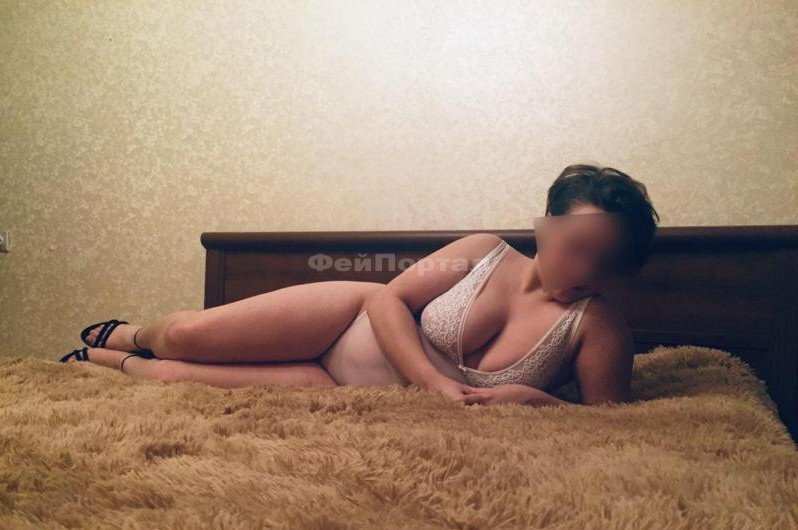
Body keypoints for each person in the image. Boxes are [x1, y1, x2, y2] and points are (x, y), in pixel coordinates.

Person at [60, 164, 659, 407]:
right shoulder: (481, 253)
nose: (584, 271)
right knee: (184, 337)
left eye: (604, 261)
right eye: (576, 246)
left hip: (340, 385)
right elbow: (387, 298)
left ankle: (112, 361)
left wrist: (534, 400)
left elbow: (606, 425)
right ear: (547, 224)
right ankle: (133, 333)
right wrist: (432, 382)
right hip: (343, 319)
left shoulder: (598, 327)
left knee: (170, 378)